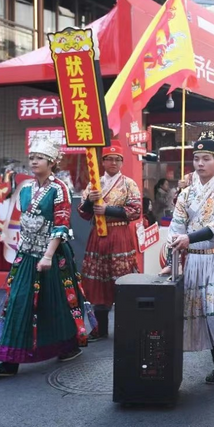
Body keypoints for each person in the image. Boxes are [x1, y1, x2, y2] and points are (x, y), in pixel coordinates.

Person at [0, 134, 89, 376]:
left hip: (53, 256)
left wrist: (48, 256)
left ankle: (67, 346)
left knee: (57, 303)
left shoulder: (59, 188)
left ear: (52, 162)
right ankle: (9, 361)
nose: (33, 161)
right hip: (27, 254)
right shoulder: (26, 188)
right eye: (31, 157)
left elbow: (61, 225)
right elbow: (24, 221)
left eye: (39, 157)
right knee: (18, 302)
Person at [164, 131, 214, 385]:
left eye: (206, 158)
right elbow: (176, 227)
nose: (200, 163)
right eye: (197, 158)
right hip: (194, 261)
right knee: (201, 314)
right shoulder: (186, 194)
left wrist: (188, 239)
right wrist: (172, 259)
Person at [78, 142, 141, 341]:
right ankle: (100, 328)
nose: (113, 162)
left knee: (122, 281)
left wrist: (108, 210)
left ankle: (126, 326)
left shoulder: (129, 183)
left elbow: (136, 210)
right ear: (102, 162)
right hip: (98, 236)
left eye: (117, 159)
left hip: (119, 235)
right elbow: (83, 213)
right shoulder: (93, 184)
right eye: (109, 159)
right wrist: (89, 202)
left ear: (122, 162)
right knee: (98, 281)